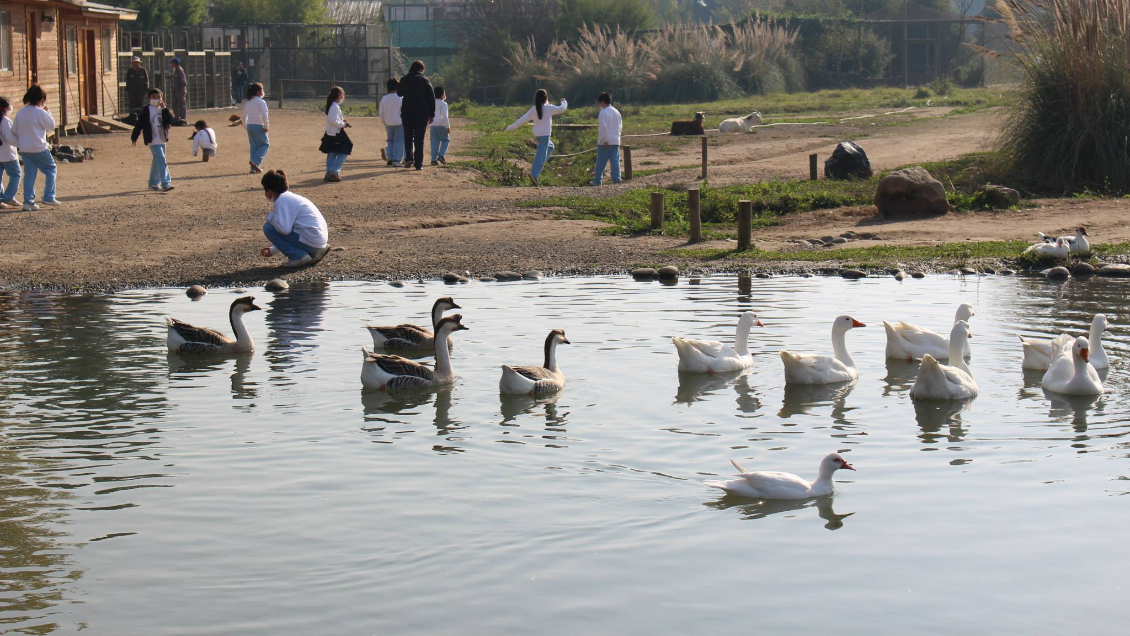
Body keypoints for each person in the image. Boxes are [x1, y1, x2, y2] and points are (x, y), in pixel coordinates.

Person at [259, 169, 330, 268]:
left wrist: (270, 217)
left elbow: (284, 230)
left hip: (313, 241)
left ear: (269, 191)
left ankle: (299, 256)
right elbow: (290, 229)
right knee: (275, 225)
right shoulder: (291, 198)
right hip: (318, 240)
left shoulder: (282, 201)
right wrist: (273, 250)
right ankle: (314, 251)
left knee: (268, 227)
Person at [505, 89, 567, 187]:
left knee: (551, 147)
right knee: (540, 155)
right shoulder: (549, 108)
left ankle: (539, 164)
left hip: (538, 135)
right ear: (546, 98)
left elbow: (522, 120)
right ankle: (534, 175)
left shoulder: (534, 109)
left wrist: (510, 128)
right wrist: (564, 101)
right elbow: (562, 109)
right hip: (545, 135)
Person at [13, 85, 59, 211]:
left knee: (29, 174)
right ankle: (49, 196)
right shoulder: (40, 112)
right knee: (51, 169)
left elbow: (14, 130)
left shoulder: (21, 112)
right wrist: (47, 111)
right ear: (41, 99)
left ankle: (28, 201)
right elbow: (51, 126)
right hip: (39, 147)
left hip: (24, 148)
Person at [131, 88, 174, 192]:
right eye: (154, 97)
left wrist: (165, 109)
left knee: (157, 161)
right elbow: (139, 124)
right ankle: (166, 183)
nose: (157, 99)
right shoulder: (147, 110)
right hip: (152, 139)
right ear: (149, 98)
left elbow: (169, 120)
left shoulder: (163, 109)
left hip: (162, 138)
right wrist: (134, 137)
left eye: (159, 97)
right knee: (161, 159)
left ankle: (153, 183)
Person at [397, 60, 435, 171]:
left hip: (407, 113)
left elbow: (399, 93)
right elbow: (431, 99)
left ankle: (409, 158)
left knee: (408, 136)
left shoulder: (404, 79)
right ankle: (419, 164)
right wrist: (432, 114)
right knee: (419, 139)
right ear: (422, 69)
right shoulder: (425, 81)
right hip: (422, 114)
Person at [319, 86, 352, 182]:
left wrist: (341, 121)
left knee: (332, 152)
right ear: (340, 95)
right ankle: (333, 171)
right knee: (346, 148)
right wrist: (344, 124)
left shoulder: (332, 105)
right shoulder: (334, 106)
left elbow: (333, 120)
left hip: (331, 132)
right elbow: (332, 121)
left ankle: (329, 172)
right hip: (335, 133)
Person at [591, 92, 622, 186]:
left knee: (601, 161)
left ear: (602, 102)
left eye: (600, 102)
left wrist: (604, 140)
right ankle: (617, 178)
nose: (599, 105)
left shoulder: (603, 112)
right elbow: (620, 126)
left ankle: (597, 180)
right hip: (616, 139)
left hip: (606, 141)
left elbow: (603, 128)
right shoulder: (616, 111)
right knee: (615, 160)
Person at [242, 82, 269, 173]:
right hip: (258, 125)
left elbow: (243, 116)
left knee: (254, 146)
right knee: (265, 145)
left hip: (250, 125)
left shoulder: (248, 102)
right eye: (262, 90)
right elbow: (265, 115)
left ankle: (253, 168)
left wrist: (246, 126)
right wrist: (266, 126)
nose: (263, 91)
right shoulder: (261, 102)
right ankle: (255, 162)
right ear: (258, 92)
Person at [0, 97, 21, 208]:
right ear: (4, 108)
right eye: (9, 106)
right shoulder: (5, 121)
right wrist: (21, 143)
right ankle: (9, 197)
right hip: (8, 154)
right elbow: (10, 138)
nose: (11, 108)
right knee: (16, 174)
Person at [378, 78, 404, 167]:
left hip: (388, 122)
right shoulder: (401, 98)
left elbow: (381, 112)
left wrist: (384, 121)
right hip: (399, 122)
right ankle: (397, 160)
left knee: (390, 140)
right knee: (399, 141)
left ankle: (390, 158)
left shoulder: (384, 98)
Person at [430, 85, 450, 166]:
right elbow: (445, 116)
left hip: (432, 125)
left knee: (434, 142)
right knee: (446, 140)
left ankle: (433, 160)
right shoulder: (443, 104)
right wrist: (448, 126)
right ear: (443, 94)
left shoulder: (431, 102)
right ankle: (441, 155)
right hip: (441, 125)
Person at [169, 58, 188, 123]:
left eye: (172, 63)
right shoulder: (175, 70)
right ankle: (177, 116)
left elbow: (184, 82)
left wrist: (179, 90)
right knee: (175, 104)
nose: (171, 64)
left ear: (175, 63)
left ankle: (183, 117)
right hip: (176, 91)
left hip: (180, 91)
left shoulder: (180, 70)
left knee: (182, 104)